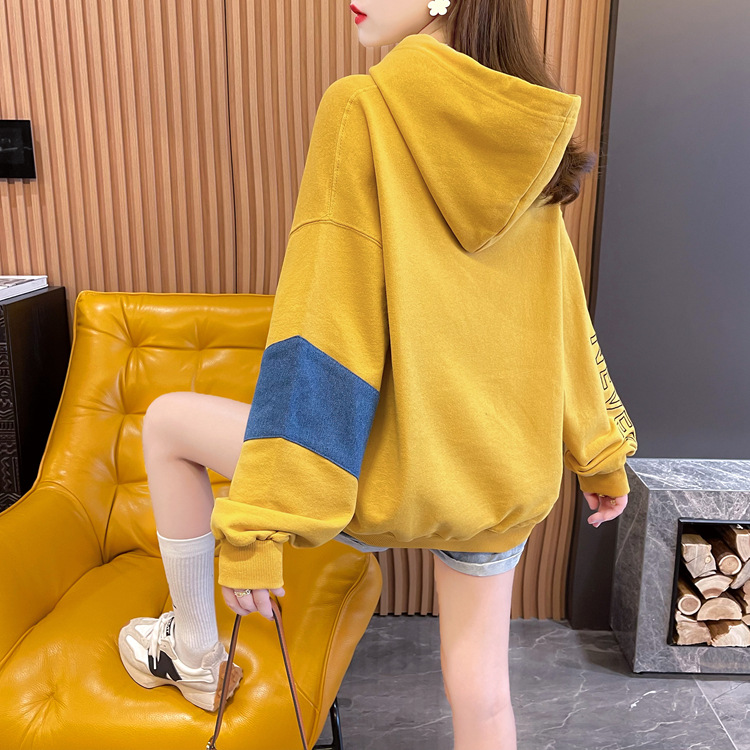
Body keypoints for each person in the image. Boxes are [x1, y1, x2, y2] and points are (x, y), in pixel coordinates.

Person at [118, 0, 638, 746]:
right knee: (483, 695)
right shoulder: (529, 128)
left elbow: (325, 321)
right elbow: (562, 310)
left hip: (386, 476)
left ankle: (195, 654)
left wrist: (264, 520)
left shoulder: (361, 105)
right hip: (499, 475)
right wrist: (600, 451)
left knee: (168, 420)